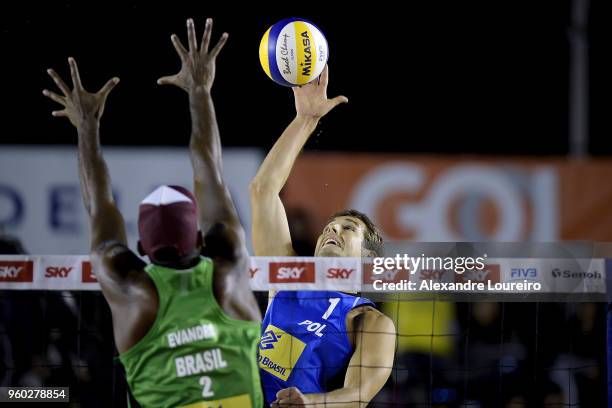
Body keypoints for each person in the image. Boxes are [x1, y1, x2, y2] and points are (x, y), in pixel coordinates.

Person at [43, 18, 262, 408]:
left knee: (43, 395)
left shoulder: (131, 290)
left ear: (142, 246)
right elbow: (209, 168)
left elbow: (100, 206)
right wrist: (199, 90)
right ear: (198, 239)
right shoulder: (228, 271)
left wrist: (86, 128)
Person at [250, 65, 396, 407]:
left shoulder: (369, 320)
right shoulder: (285, 278)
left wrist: (310, 402)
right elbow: (262, 191)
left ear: (368, 258)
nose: (334, 229)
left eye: (349, 229)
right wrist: (306, 120)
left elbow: (358, 395)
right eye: (330, 227)